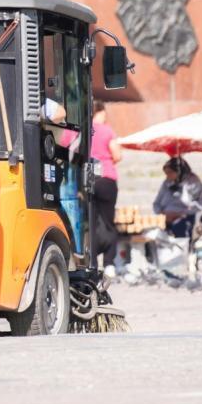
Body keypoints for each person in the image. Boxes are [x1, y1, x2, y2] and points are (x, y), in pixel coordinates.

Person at [90, 100, 122, 277]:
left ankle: (92, 262)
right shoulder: (106, 130)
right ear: (100, 112)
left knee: (92, 222)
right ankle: (109, 263)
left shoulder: (85, 129)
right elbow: (117, 155)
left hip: (88, 179)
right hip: (107, 179)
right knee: (109, 222)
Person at [153, 156, 202, 238]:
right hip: (165, 218)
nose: (167, 176)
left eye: (170, 173)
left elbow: (197, 206)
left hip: (186, 219)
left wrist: (178, 214)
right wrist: (161, 214)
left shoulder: (192, 182)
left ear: (178, 171)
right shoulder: (167, 183)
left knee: (179, 227)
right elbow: (156, 203)